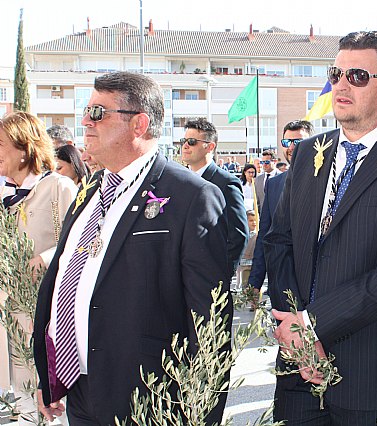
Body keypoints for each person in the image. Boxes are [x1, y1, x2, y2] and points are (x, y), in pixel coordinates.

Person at [264, 31, 377, 424]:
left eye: (358, 76)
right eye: (336, 74)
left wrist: (313, 325)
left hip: (372, 376)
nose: (341, 85)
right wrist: (294, 330)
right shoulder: (307, 154)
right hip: (297, 373)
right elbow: (278, 241)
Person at [33, 71, 230, 425]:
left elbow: (210, 317)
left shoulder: (191, 196)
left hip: (146, 397)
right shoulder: (90, 189)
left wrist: (201, 411)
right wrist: (48, 376)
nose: (85, 122)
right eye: (86, 110)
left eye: (98, 112)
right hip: (80, 388)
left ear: (139, 124)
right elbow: (65, 277)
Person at [0, 111, 78, 405]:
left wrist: (45, 258)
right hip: (11, 318)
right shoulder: (4, 195)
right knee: (22, 399)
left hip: (46, 317)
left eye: (1, 144)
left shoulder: (59, 187)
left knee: (50, 403)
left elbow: (79, 243)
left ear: (24, 148)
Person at [248, 120, 314, 310]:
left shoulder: (327, 179)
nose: (291, 147)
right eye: (286, 143)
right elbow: (265, 236)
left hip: (319, 286)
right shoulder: (275, 184)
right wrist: (255, 282)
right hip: (283, 286)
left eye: (298, 142)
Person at [181, 117, 249, 279]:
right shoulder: (180, 180)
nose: (185, 146)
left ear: (210, 146)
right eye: (183, 140)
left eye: (191, 141)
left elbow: (238, 234)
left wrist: (220, 273)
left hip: (210, 278)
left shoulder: (225, 182)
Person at [236, 210, 257, 293]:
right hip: (244, 266)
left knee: (253, 288)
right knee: (245, 286)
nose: (254, 223)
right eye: (251, 220)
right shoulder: (245, 235)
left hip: (254, 265)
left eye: (255, 220)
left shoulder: (257, 235)